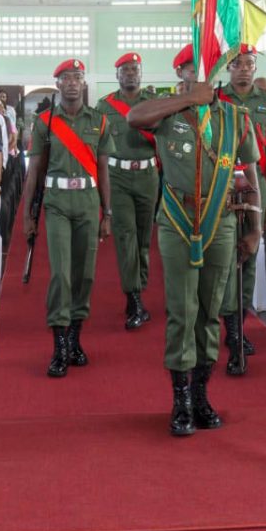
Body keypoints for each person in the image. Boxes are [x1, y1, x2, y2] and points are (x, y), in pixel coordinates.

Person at [128, 46, 260, 436]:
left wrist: (254, 229)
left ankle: (201, 393)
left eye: (204, 70)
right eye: (190, 69)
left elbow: (250, 173)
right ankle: (180, 400)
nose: (198, 74)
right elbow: (134, 118)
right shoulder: (168, 111)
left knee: (210, 309)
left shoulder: (236, 118)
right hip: (177, 220)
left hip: (221, 221)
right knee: (182, 310)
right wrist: (188, 98)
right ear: (181, 73)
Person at [20, 59, 112, 377]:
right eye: (65, 78)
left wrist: (107, 212)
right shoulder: (44, 121)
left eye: (77, 77)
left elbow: (103, 170)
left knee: (85, 274)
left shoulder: (98, 121)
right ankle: (59, 344)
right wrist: (27, 214)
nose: (72, 82)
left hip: (88, 202)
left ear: (84, 83)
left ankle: (75, 339)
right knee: (61, 274)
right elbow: (34, 171)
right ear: (57, 84)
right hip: (56, 203)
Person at [216, 44, 266, 373]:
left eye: (249, 64)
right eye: (237, 64)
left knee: (249, 260)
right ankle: (225, 326)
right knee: (226, 259)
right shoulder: (216, 99)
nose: (244, 69)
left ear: (256, 68)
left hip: (255, 186)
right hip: (223, 187)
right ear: (228, 69)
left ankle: (239, 329)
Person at [96, 52, 159, 330]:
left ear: (141, 74)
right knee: (125, 237)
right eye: (125, 69)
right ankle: (133, 298)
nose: (130, 73)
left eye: (135, 69)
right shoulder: (104, 106)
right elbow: (96, 146)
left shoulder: (155, 103)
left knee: (144, 239)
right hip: (117, 176)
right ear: (117, 75)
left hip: (148, 175)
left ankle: (138, 289)